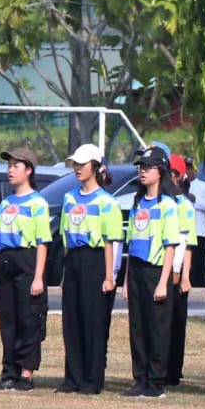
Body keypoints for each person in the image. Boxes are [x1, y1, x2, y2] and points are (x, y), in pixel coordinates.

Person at [58, 144, 121, 394]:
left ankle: (92, 379)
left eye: (82, 164)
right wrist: (64, 273)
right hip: (73, 259)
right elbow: (65, 235)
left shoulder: (107, 202)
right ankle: (72, 377)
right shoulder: (69, 198)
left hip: (95, 261)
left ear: (95, 167)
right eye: (75, 164)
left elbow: (110, 242)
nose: (77, 169)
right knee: (71, 320)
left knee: (93, 321)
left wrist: (109, 276)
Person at [0, 148, 52, 392]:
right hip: (6, 261)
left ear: (29, 170)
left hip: (27, 261)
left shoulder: (38, 203)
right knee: (8, 320)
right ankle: (9, 372)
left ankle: (26, 373)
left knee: (28, 319)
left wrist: (38, 277)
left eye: (16, 165)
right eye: (9, 165)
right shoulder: (6, 202)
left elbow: (42, 242)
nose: (10, 170)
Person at [124, 146, 183, 399]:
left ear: (160, 171)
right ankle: (141, 378)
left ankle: (156, 381)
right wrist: (126, 279)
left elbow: (171, 245)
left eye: (148, 167)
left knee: (157, 326)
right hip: (136, 268)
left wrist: (163, 282)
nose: (143, 171)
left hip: (156, 269)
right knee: (137, 326)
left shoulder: (168, 205)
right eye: (141, 167)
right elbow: (131, 243)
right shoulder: (137, 203)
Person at [163, 154, 196, 388]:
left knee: (175, 322)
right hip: (159, 267)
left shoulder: (183, 204)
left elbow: (187, 242)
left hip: (176, 270)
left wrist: (184, 275)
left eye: (171, 174)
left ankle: (173, 371)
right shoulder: (159, 200)